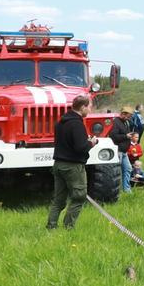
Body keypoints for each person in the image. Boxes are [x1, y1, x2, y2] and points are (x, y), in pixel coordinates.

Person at [48, 96, 92, 229]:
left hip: (58, 165)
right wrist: (91, 142)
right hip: (73, 166)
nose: (90, 110)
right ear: (83, 107)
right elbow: (80, 148)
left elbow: (67, 143)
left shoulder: (60, 122)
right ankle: (69, 228)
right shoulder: (77, 124)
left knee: (59, 200)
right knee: (78, 197)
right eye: (89, 107)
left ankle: (51, 226)